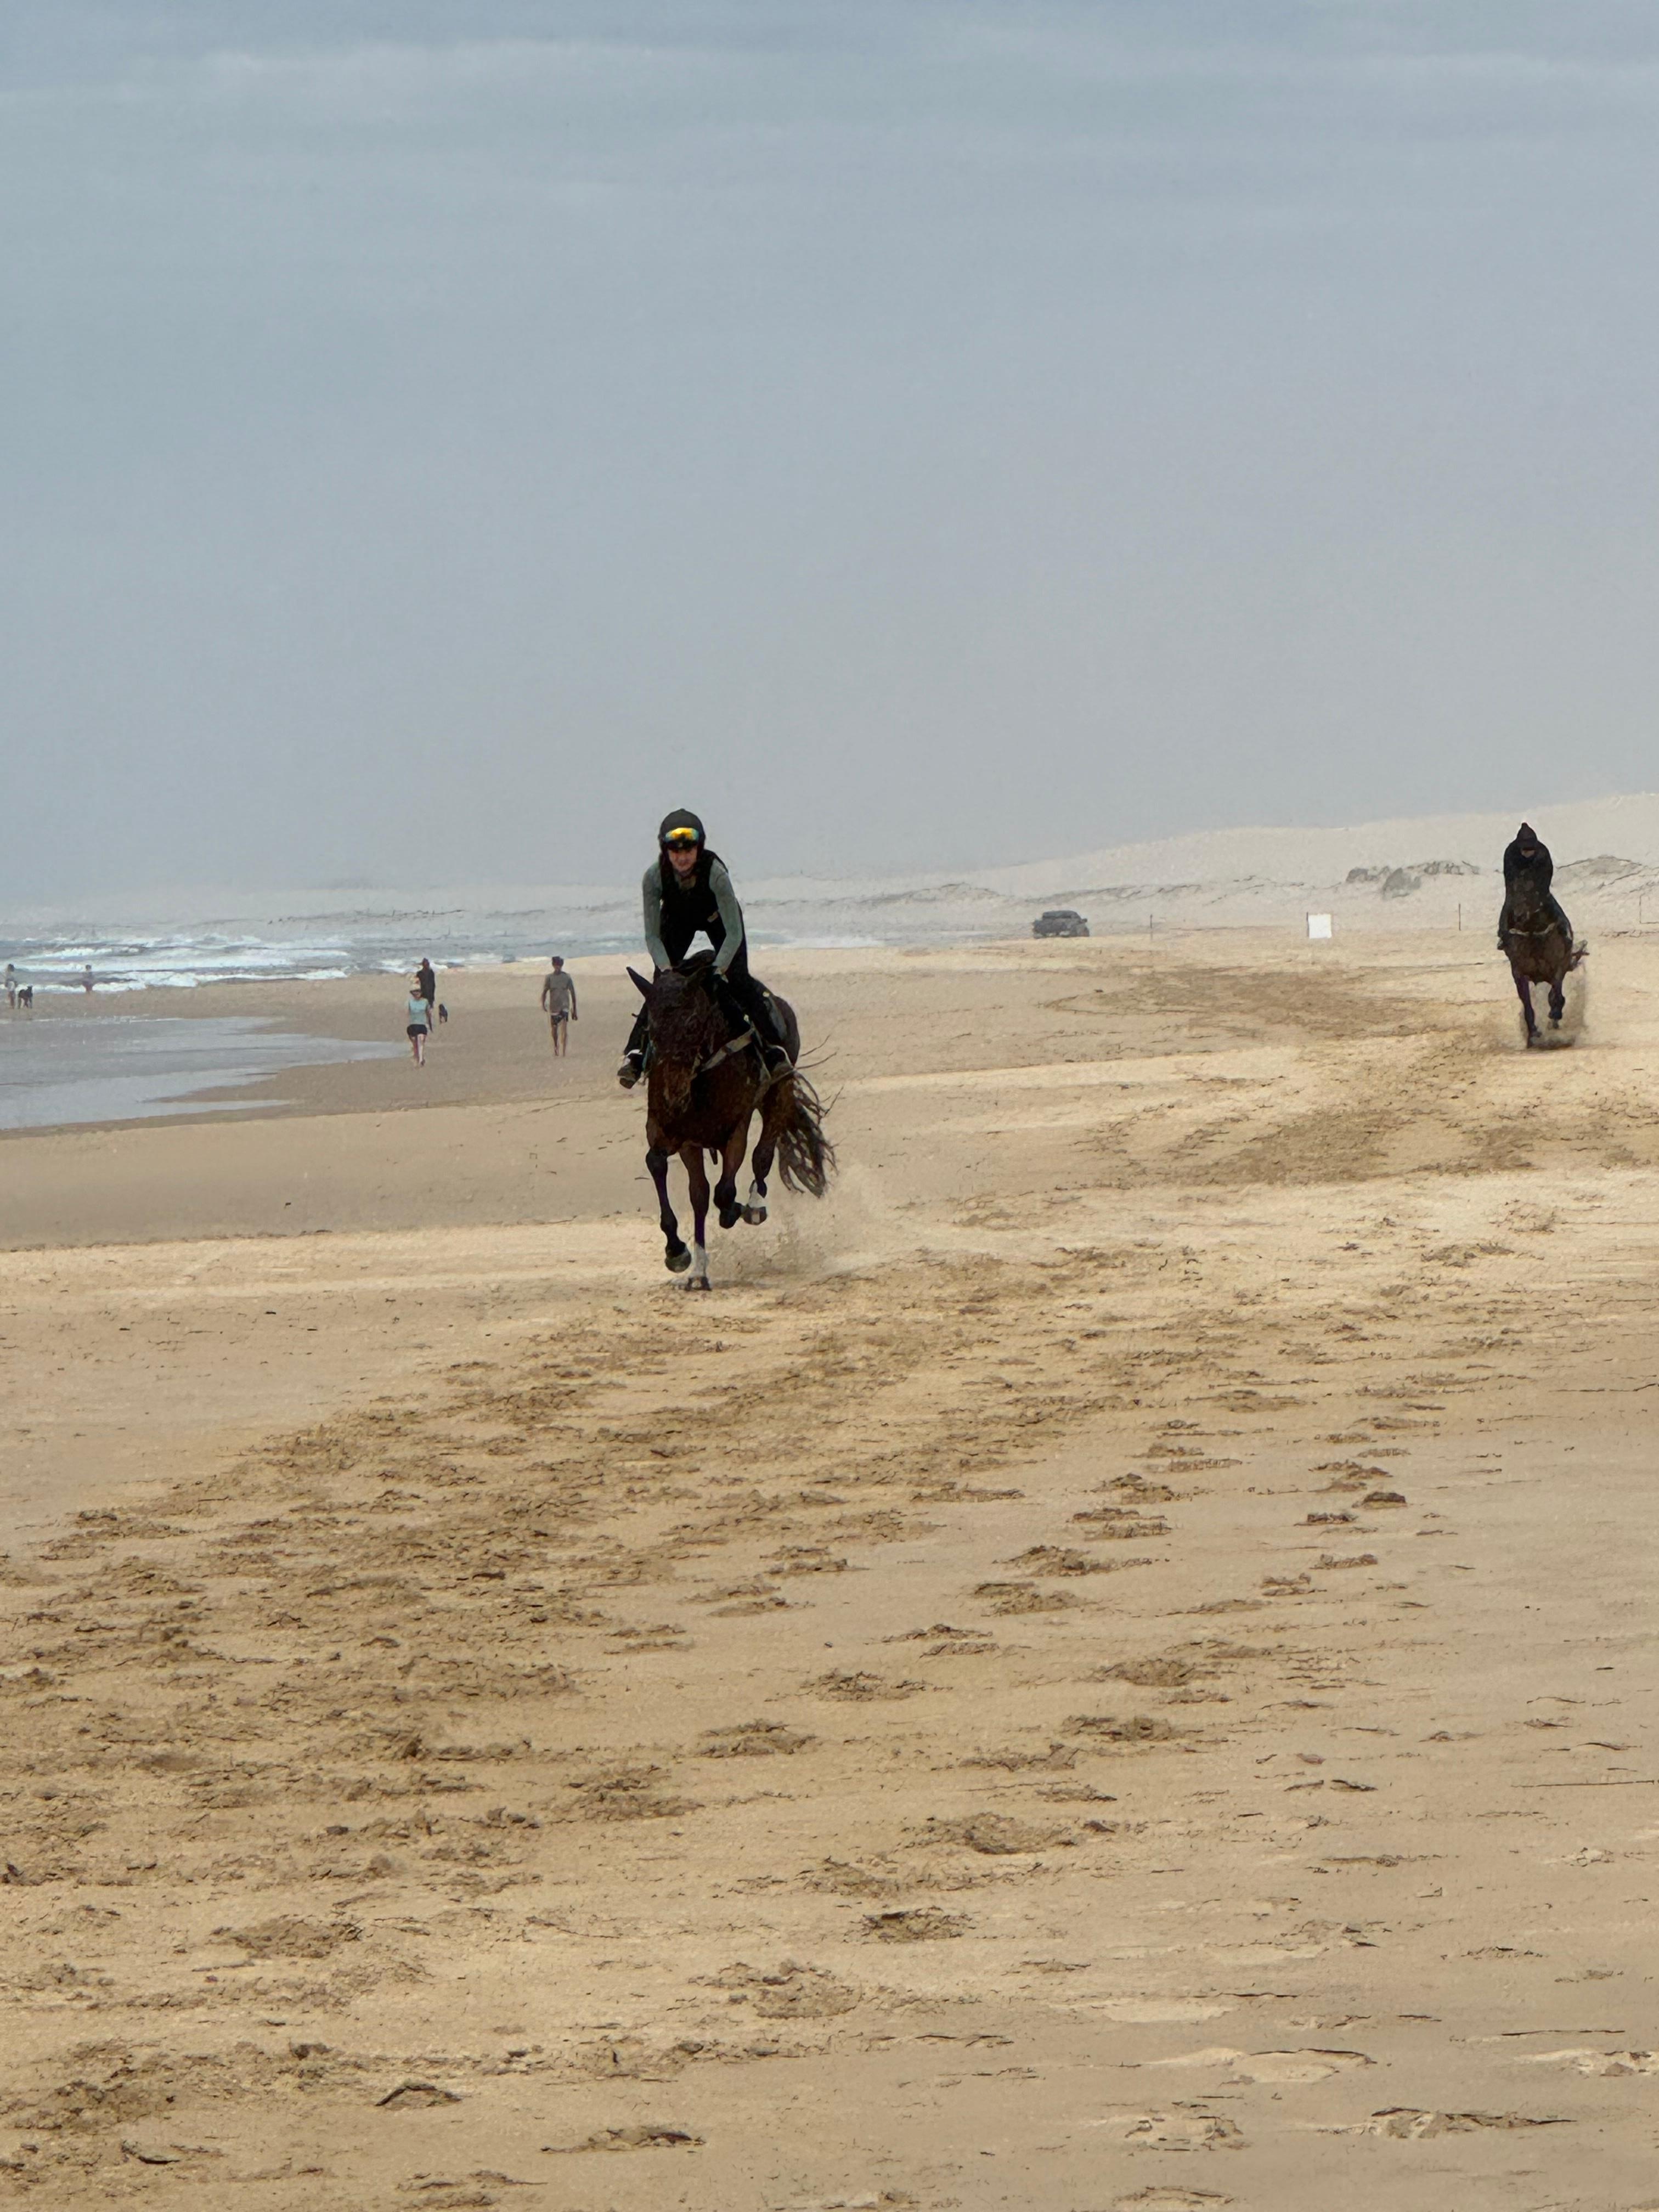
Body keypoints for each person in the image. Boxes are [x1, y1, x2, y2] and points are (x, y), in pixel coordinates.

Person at [618, 810, 789, 1087]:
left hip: (718, 920)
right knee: (662, 988)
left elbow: (734, 933)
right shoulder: (653, 878)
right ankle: (635, 1054)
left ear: (700, 848)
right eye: (675, 851)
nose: (682, 857)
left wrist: (718, 970)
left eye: (689, 850)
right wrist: (666, 970)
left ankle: (774, 1051)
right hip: (679, 920)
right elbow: (652, 937)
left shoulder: (717, 875)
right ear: (665, 850)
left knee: (738, 980)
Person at [1498, 822, 1572, 955]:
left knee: (1555, 908)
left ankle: (1566, 932)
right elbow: (1510, 877)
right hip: (1518, 888)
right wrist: (1517, 892)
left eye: (1531, 850)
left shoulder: (1543, 853)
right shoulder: (1510, 853)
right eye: (1525, 850)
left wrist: (1539, 893)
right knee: (1508, 907)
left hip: (1539, 887)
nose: (1528, 853)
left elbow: (1547, 875)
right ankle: (1503, 936)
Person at [541, 955, 578, 1054]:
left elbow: (573, 993)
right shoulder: (549, 978)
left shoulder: (567, 977)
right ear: (553, 965)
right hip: (554, 1007)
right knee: (554, 1028)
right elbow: (545, 991)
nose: (558, 967)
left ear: (562, 966)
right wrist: (543, 1003)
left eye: (559, 965)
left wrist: (574, 1010)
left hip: (564, 1006)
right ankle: (556, 1046)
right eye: (556, 965)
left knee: (564, 1027)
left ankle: (564, 1050)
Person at [405, 977, 431, 1066]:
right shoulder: (410, 1002)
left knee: (421, 1041)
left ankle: (421, 1059)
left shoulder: (425, 1002)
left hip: (422, 1025)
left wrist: (429, 1024)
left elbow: (428, 1013)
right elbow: (408, 1013)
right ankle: (416, 1057)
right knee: (415, 1043)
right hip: (413, 1025)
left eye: (418, 991)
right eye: (415, 992)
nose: (417, 993)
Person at [416, 957, 437, 1029]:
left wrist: (433, 996)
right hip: (423, 994)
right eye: (426, 964)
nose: (427, 965)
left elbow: (433, 985)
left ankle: (430, 1024)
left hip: (430, 994)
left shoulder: (431, 973)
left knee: (429, 1010)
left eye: (427, 964)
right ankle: (427, 1024)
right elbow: (416, 984)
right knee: (424, 1010)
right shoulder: (420, 974)